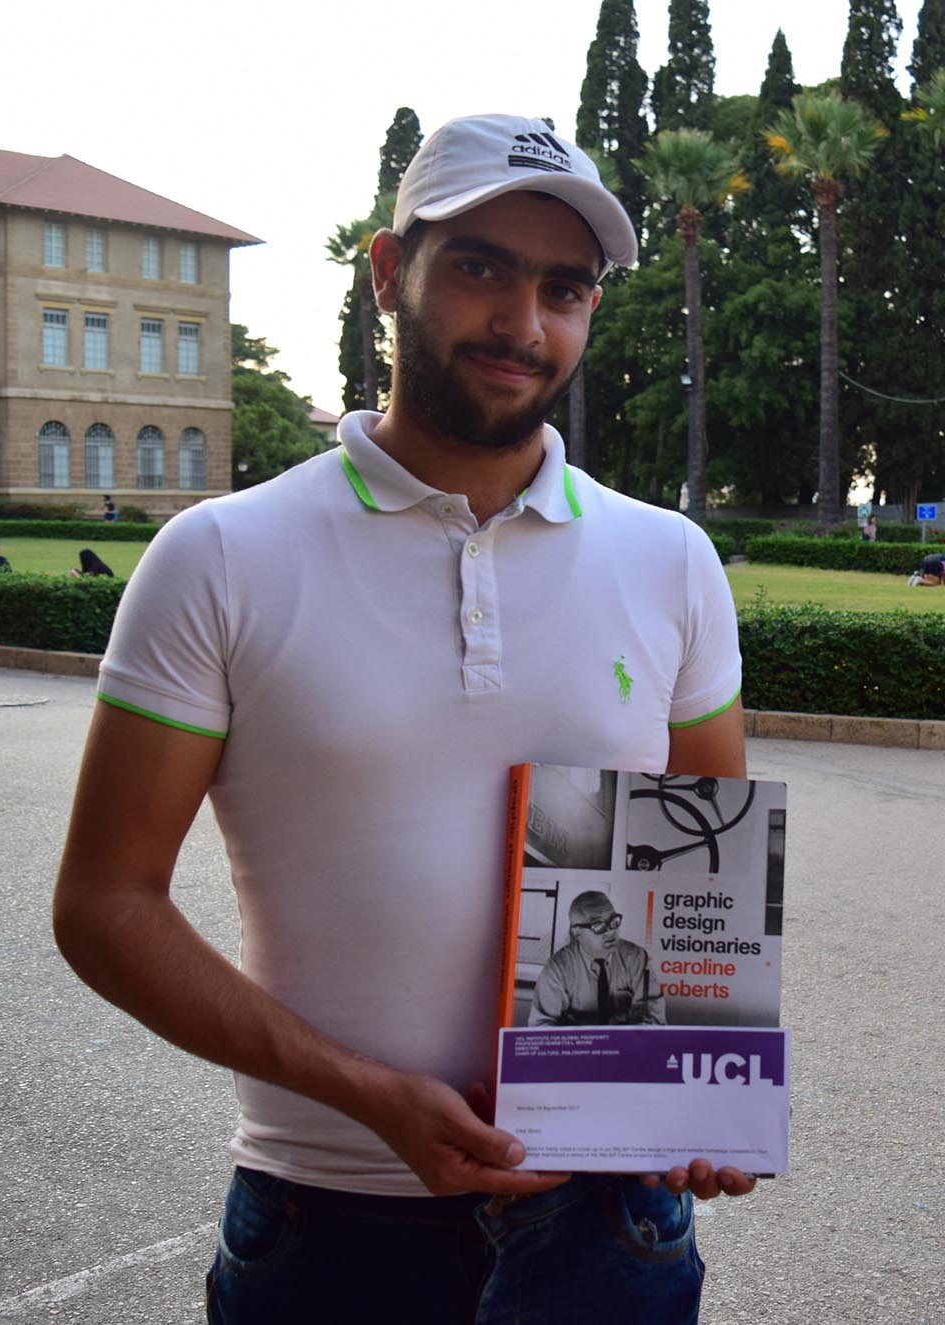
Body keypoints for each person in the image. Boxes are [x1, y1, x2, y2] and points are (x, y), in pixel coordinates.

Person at [52, 114, 751, 1325]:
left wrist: (693, 1091)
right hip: (330, 1217)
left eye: (563, 287)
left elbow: (705, 885)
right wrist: (365, 1092)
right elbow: (104, 904)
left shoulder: (672, 560)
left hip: (609, 1225)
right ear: (386, 273)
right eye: (479, 265)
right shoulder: (218, 558)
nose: (522, 324)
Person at [526, 892, 664, 1027]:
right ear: (576, 932)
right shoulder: (558, 967)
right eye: (598, 925)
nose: (611, 932)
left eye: (613, 921)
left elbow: (652, 1018)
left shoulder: (636, 958)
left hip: (625, 1045)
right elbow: (541, 1025)